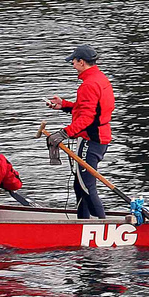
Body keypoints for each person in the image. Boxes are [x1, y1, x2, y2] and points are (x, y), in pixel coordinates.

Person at [45, 44, 115, 219]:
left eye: (73, 62)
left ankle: (102, 225)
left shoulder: (88, 85)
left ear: (82, 62)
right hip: (99, 137)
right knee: (79, 185)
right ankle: (82, 223)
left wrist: (64, 133)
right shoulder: (100, 78)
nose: (73, 65)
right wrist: (65, 105)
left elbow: (87, 118)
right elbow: (90, 109)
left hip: (91, 140)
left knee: (86, 186)